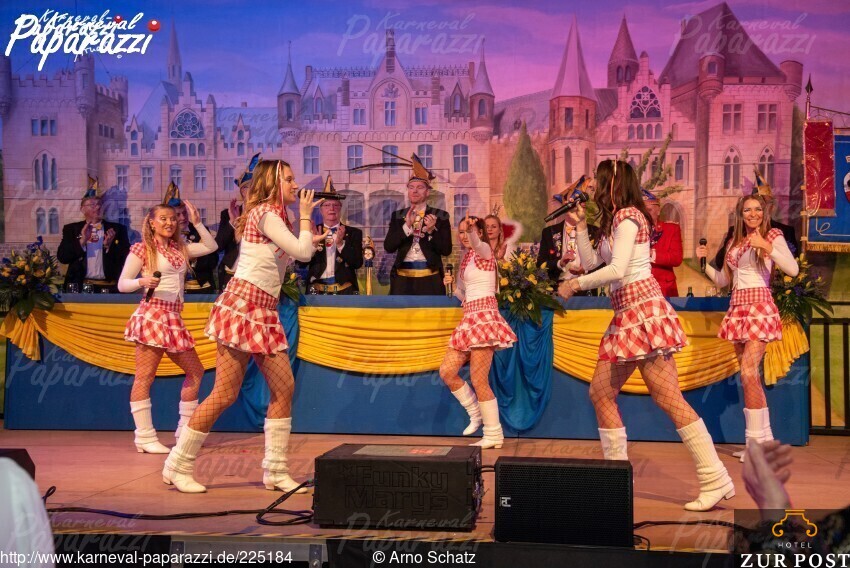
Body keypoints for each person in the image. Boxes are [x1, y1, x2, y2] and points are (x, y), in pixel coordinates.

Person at [558, 159, 734, 512]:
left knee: (668, 398)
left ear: (612, 184)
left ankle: (715, 477)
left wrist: (574, 284)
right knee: (601, 393)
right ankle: (617, 480)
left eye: (598, 182)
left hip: (642, 311)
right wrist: (579, 226)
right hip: (627, 313)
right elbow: (592, 263)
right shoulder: (615, 221)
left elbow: (617, 269)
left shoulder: (628, 217)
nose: (592, 188)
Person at [163, 160, 325, 494]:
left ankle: (276, 471)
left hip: (264, 311)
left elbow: (296, 252)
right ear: (273, 184)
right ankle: (177, 464)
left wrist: (310, 236)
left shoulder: (279, 216)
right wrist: (307, 218)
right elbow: (302, 252)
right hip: (242, 306)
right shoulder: (265, 213)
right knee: (224, 394)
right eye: (289, 179)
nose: (296, 185)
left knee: (284, 389)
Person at [696, 193, 799, 461]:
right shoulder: (734, 240)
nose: (753, 214)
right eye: (747, 210)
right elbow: (723, 281)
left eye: (757, 210)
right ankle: (762, 443)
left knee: (748, 373)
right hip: (738, 308)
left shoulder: (772, 235)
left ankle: (756, 446)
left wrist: (766, 246)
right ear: (740, 215)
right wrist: (704, 264)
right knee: (749, 378)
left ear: (764, 212)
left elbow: (793, 269)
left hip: (759, 306)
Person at [118, 199, 217, 454]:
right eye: (163, 218)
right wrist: (141, 282)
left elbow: (211, 246)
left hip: (173, 317)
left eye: (173, 218)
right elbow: (122, 284)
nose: (169, 223)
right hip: (153, 314)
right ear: (151, 223)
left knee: (195, 371)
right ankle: (144, 436)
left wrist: (197, 223)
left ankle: (185, 431)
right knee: (145, 376)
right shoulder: (142, 249)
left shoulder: (180, 249)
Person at [440, 215, 517, 449]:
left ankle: (494, 434)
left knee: (479, 379)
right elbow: (464, 294)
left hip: (484, 319)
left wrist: (473, 231)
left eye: (470, 230)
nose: (465, 235)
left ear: (479, 233)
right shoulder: (467, 259)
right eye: (462, 231)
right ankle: (475, 413)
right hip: (469, 318)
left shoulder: (485, 252)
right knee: (447, 371)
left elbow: (478, 243)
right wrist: (451, 286)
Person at [381, 154, 452, 295]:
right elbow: (389, 247)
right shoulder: (398, 216)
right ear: (408, 191)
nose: (415, 191)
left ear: (427, 192)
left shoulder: (441, 216)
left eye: (420, 187)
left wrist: (432, 231)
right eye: (411, 187)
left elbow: (446, 250)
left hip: (430, 280)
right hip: (402, 280)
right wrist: (406, 227)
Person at [712, 169, 799, 271]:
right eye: (755, 206)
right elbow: (720, 262)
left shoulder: (785, 231)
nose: (754, 213)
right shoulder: (736, 231)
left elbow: (794, 263)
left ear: (772, 206)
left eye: (764, 204)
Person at [57, 177, 129, 292]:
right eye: (92, 204)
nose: (98, 207)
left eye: (100, 204)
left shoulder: (118, 229)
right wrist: (82, 241)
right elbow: (63, 257)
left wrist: (109, 246)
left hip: (109, 288)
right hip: (79, 288)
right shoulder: (71, 229)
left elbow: (127, 260)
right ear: (82, 209)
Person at [298, 175, 363, 295]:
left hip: (345, 292)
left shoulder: (354, 233)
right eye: (327, 205)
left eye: (335, 205)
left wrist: (341, 244)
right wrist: (313, 245)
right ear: (321, 210)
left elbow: (357, 263)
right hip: (316, 292)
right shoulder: (311, 232)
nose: (331, 208)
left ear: (340, 208)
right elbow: (300, 264)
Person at [537, 177, 600, 295]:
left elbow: (604, 264)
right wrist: (559, 263)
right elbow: (540, 265)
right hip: (558, 291)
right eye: (576, 199)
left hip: (586, 291)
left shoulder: (595, 231)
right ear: (566, 204)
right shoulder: (549, 232)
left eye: (583, 200)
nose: (581, 204)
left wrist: (586, 268)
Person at [161, 182, 218, 294]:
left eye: (185, 213)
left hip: (201, 289)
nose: (183, 218)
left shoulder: (201, 231)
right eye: (177, 215)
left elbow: (213, 261)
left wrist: (194, 260)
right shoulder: (162, 236)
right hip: (172, 289)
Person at [216, 153, 260, 291]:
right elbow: (219, 245)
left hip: (256, 275)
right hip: (232, 273)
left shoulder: (265, 215)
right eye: (250, 187)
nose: (255, 191)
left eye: (258, 187)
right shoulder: (227, 214)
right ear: (242, 191)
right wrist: (232, 222)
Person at [644, 189, 683, 297]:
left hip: (664, 289)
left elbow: (676, 258)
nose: (645, 214)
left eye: (649, 210)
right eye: (642, 211)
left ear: (658, 211)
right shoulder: (633, 231)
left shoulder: (671, 229)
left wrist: (652, 254)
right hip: (640, 288)